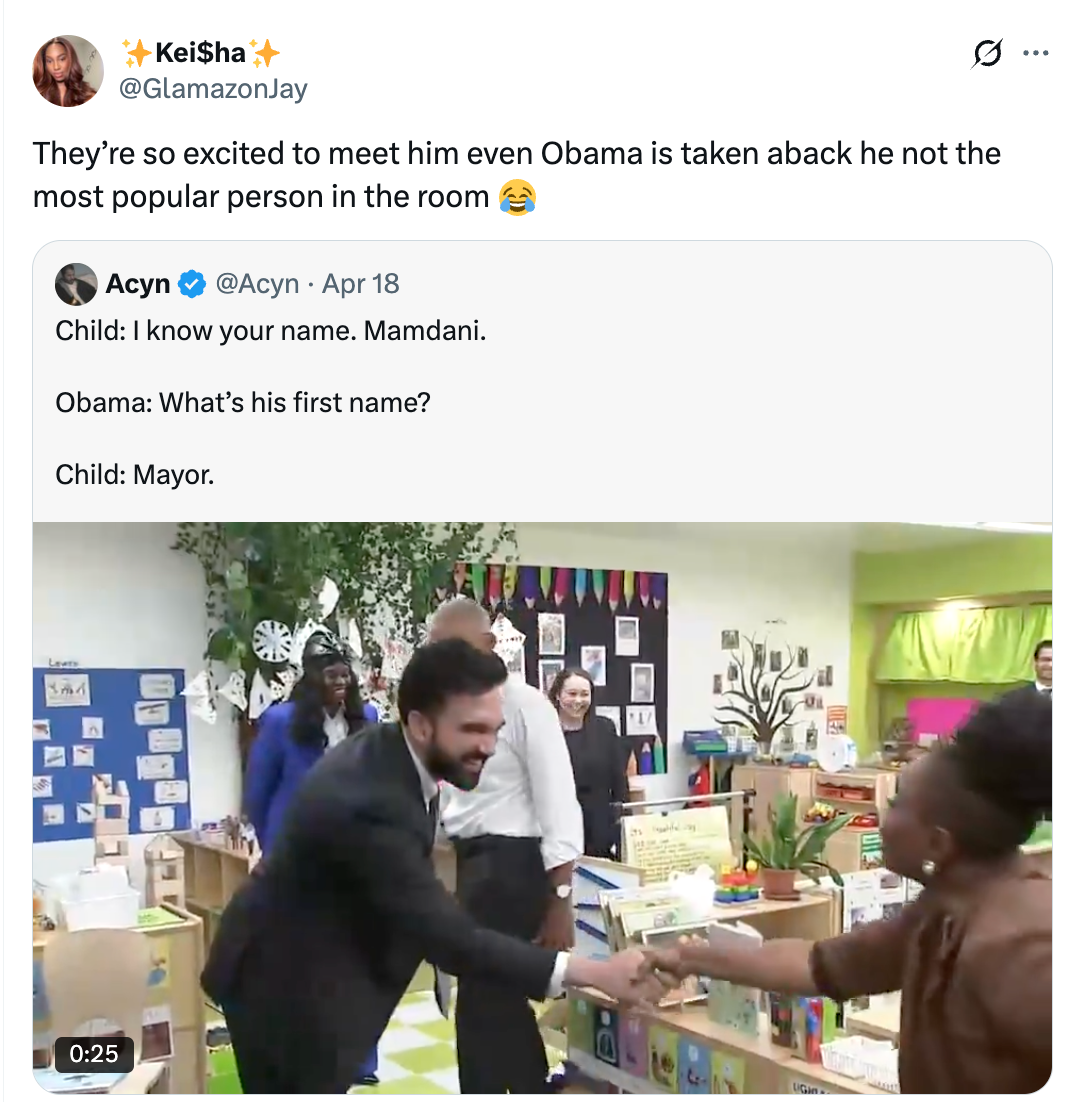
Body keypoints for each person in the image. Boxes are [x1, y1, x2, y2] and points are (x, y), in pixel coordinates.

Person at [202, 638, 658, 1094]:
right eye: (472, 730)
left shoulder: (395, 754)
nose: (488, 747)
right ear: (421, 724)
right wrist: (597, 973)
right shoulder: (372, 800)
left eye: (495, 731)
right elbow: (450, 940)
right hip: (279, 982)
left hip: (319, 966)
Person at [644, 692, 1052, 1094]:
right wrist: (687, 958)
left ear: (938, 843)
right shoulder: (942, 909)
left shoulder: (1022, 946)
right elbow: (817, 965)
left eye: (897, 804)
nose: (881, 819)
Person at [428, 598, 584, 1094]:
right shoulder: (447, 710)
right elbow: (447, 804)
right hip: (472, 866)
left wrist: (560, 900)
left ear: (488, 645)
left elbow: (559, 802)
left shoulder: (524, 704)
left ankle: (531, 1088)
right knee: (487, 1002)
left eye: (451, 646)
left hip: (514, 868)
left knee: (486, 998)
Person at [242, 629, 380, 1085]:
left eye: (344, 673)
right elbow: (258, 793)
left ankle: (360, 1061)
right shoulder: (280, 721)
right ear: (310, 676)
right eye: (329, 673)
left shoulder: (369, 718)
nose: (339, 681)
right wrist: (274, 850)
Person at [548, 667, 629, 859]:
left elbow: (618, 777)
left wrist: (623, 816)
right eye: (572, 694)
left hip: (599, 826)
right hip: (559, 826)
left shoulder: (604, 727)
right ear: (558, 695)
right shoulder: (546, 730)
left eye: (584, 694)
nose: (578, 700)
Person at [34, 38, 96, 107]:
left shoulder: (89, 96)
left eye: (62, 59)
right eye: (49, 61)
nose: (56, 67)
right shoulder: (40, 93)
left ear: (71, 60)